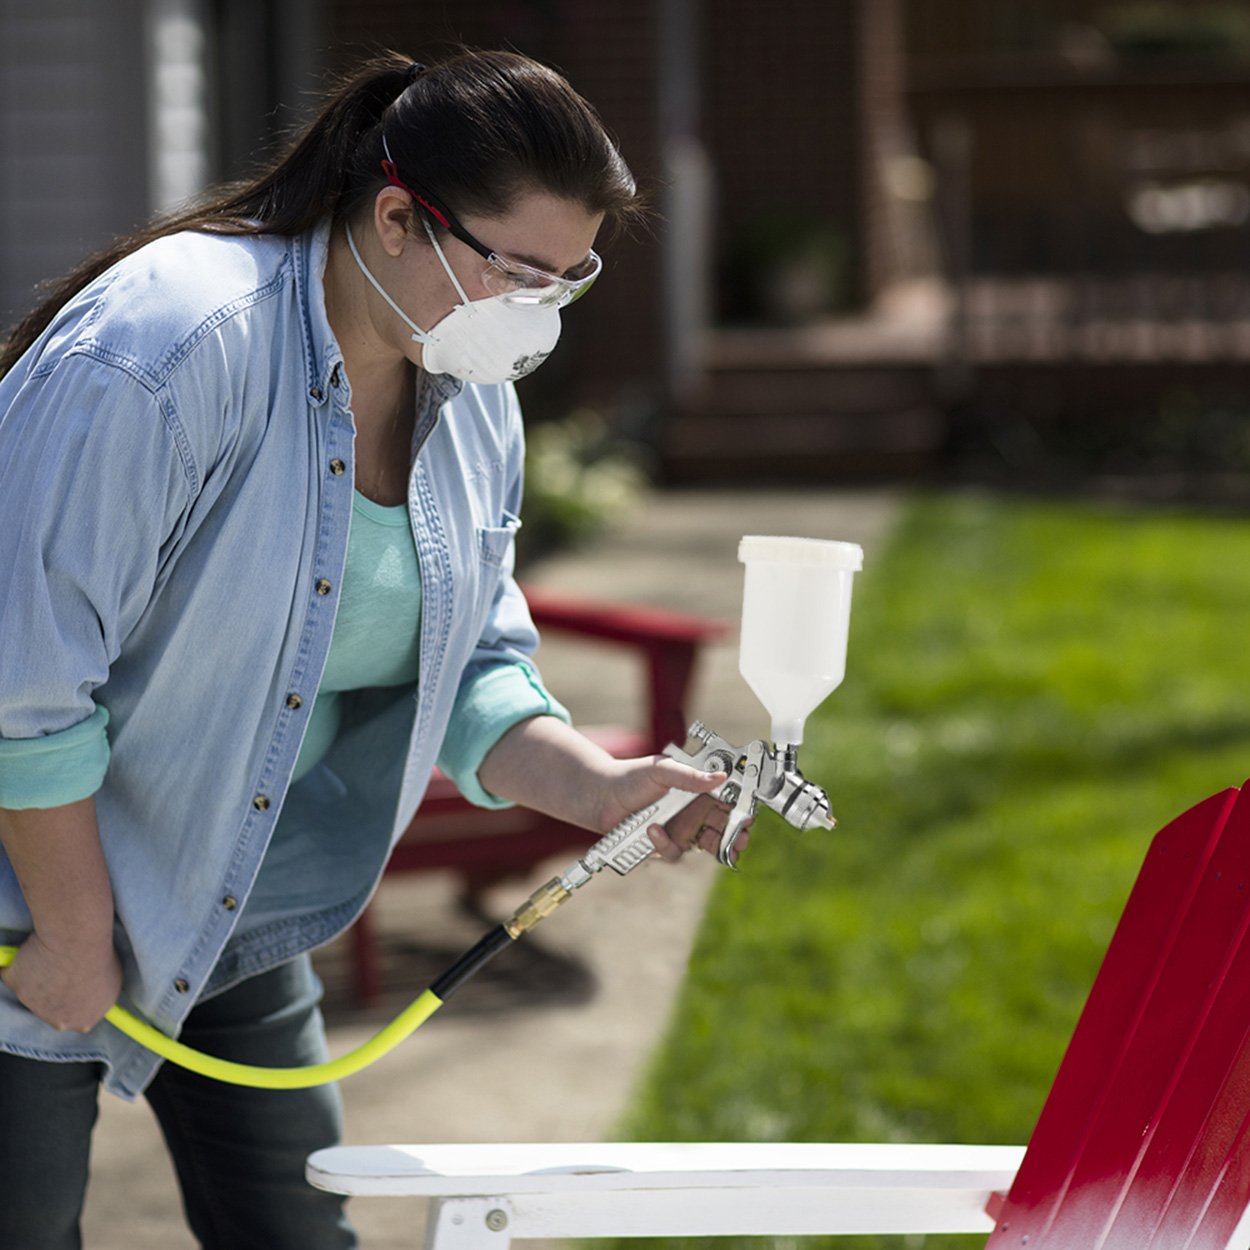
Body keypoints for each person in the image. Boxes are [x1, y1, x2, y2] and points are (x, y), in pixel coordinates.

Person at [0, 49, 738, 1250]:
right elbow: (18, 681)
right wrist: (77, 938)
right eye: (519, 274)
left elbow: (476, 664)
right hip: (34, 901)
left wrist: (602, 789)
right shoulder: (169, 348)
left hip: (225, 890)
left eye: (567, 281)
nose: (537, 317)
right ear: (397, 216)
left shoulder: (465, 384)